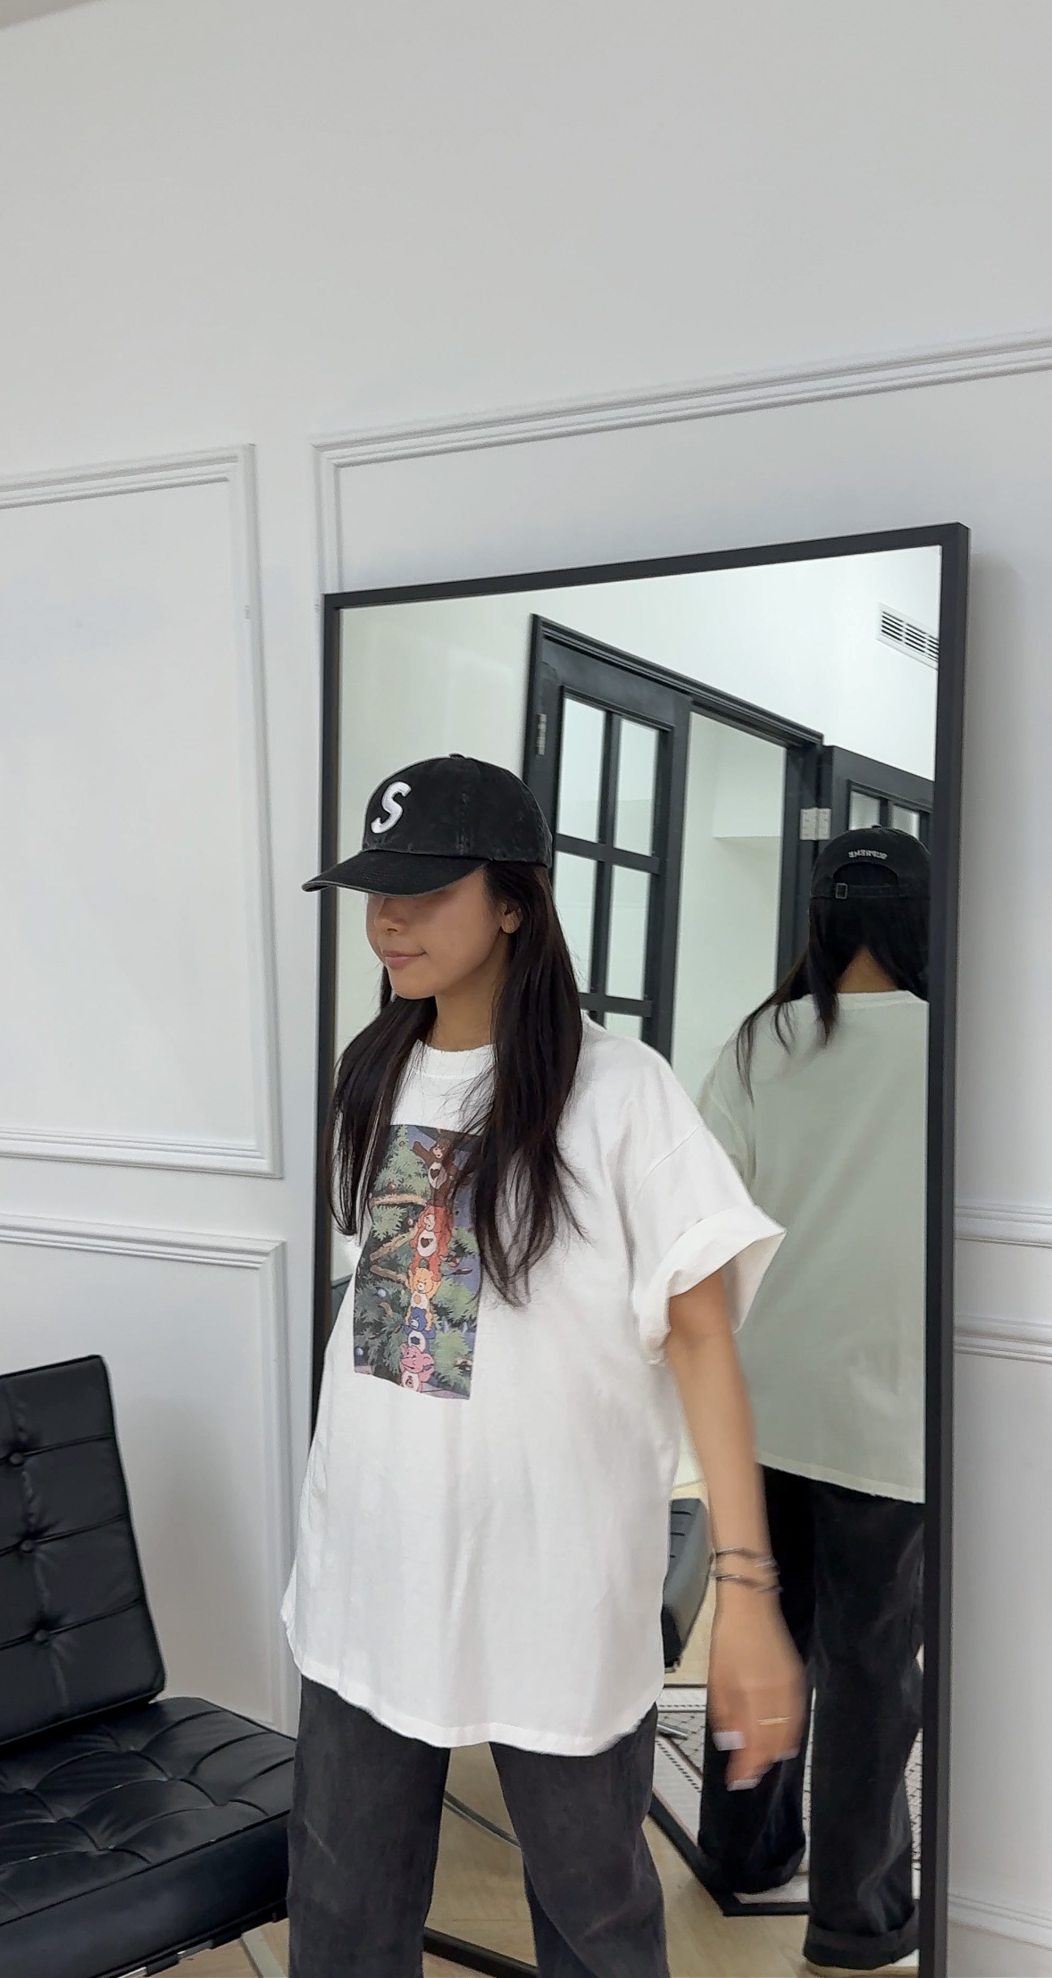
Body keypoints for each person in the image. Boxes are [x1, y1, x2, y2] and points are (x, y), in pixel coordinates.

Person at [282, 750, 805, 1978]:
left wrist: (746, 1590)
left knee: (596, 1919)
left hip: (554, 1593)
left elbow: (703, 1337)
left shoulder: (623, 1094)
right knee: (344, 1915)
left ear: (514, 900)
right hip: (368, 1572)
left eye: (424, 889)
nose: (388, 918)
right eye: (375, 889)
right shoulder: (371, 1069)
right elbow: (387, 1317)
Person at [694, 826, 930, 1978]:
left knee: (761, 1628)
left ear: (821, 918)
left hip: (762, 1397)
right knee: (873, 1669)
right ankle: (857, 1915)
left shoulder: (759, 1040)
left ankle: (741, 1850)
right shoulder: (959, 1047)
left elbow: (702, 1218)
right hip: (891, 1409)